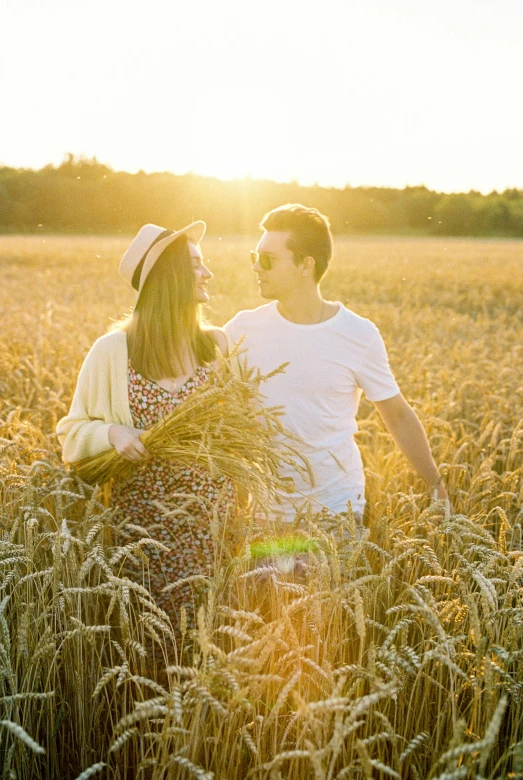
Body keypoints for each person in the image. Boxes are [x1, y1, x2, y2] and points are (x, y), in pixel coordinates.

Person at [224, 204, 448, 528]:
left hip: (336, 509)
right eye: (254, 257)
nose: (257, 268)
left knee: (330, 582)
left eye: (268, 260)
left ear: (306, 265)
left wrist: (436, 486)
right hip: (264, 512)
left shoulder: (358, 335)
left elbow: (397, 416)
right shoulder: (241, 331)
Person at [57, 221, 234, 626]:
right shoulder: (112, 351)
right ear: (167, 278)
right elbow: (71, 432)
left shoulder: (217, 345)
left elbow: (240, 431)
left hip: (212, 530)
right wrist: (112, 434)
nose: (207, 274)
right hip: (138, 536)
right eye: (195, 265)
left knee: (209, 641)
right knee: (146, 644)